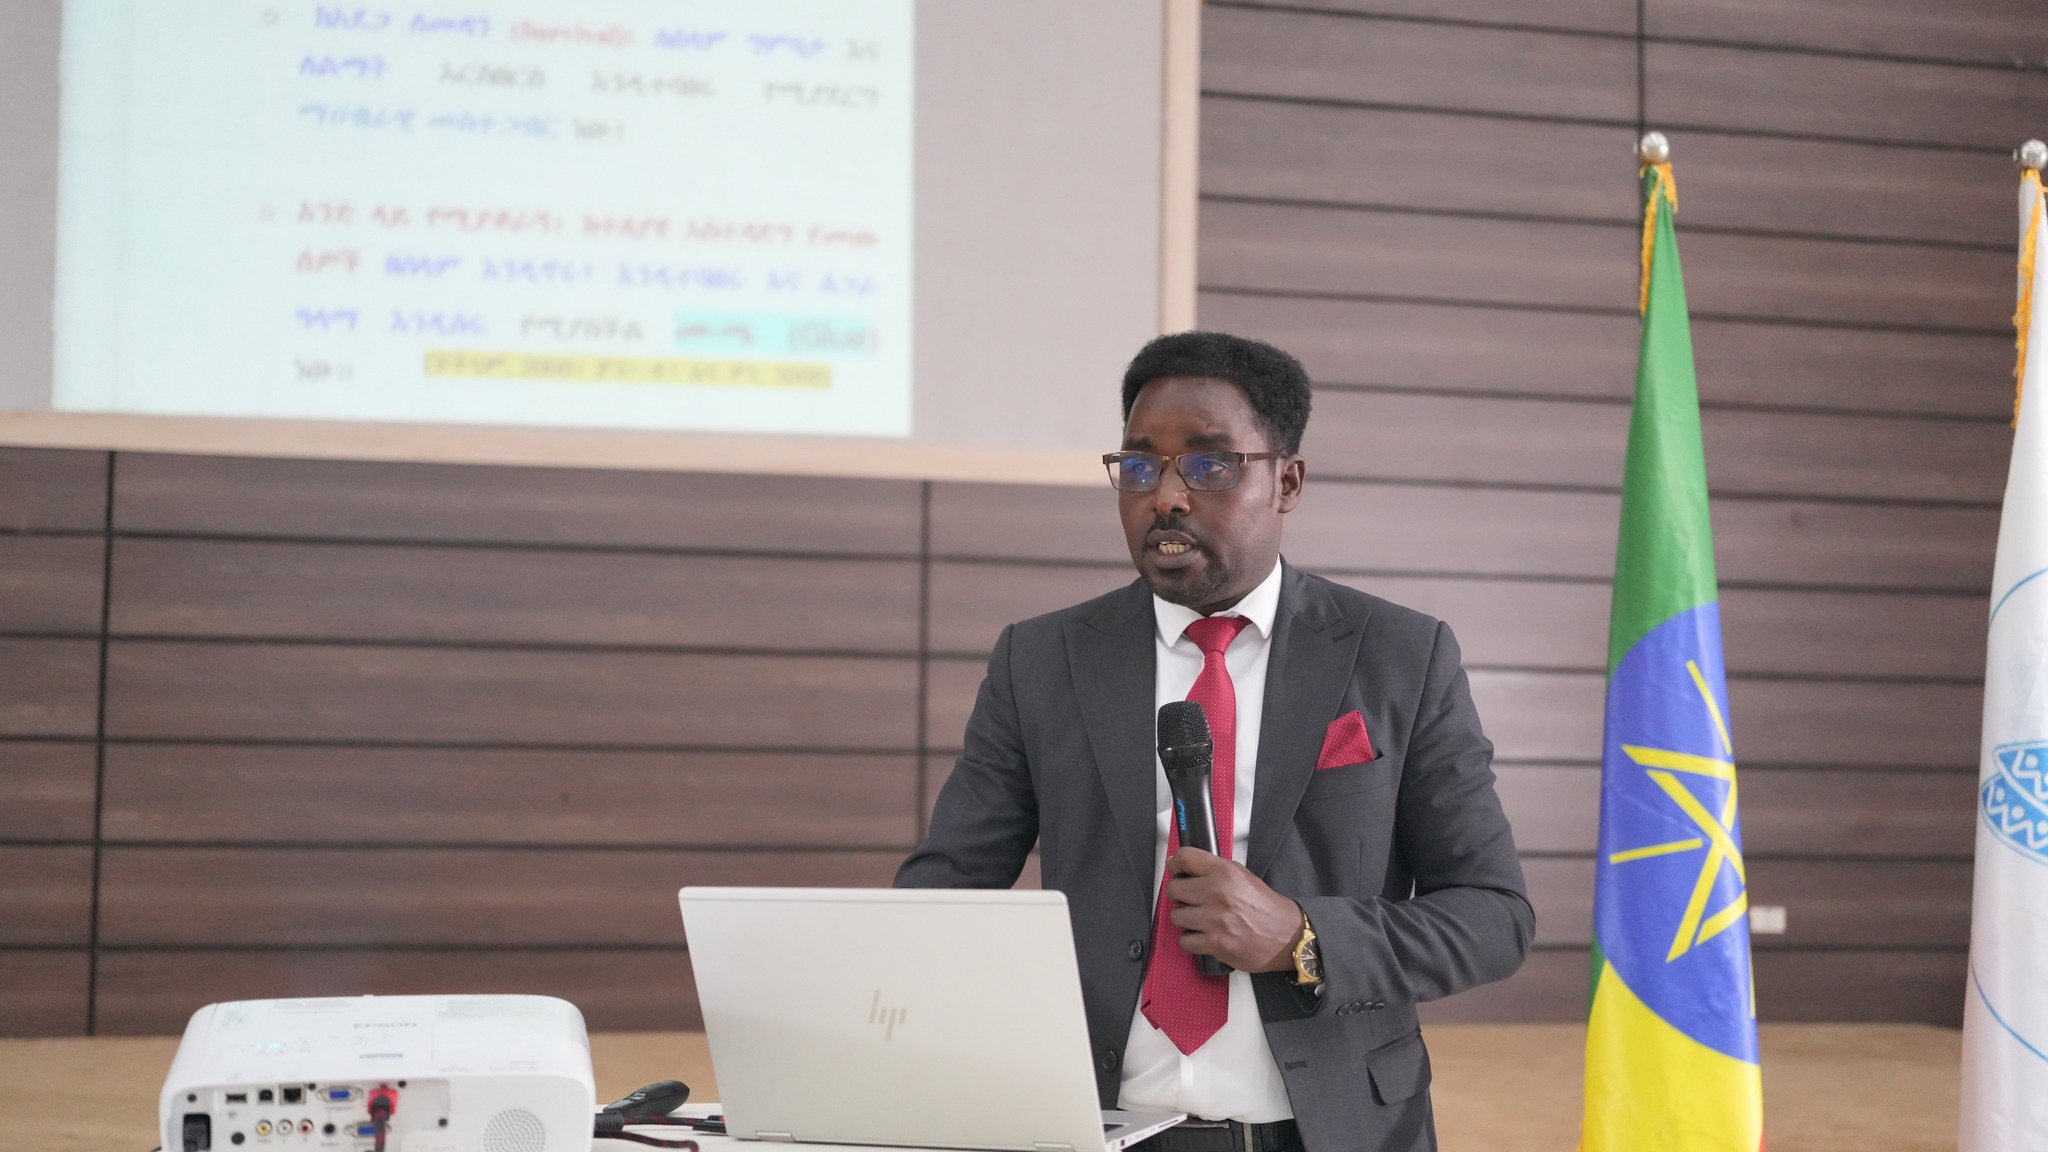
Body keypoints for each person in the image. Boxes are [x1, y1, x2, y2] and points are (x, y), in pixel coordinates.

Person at [896, 331, 1533, 1152]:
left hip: (1330, 1130)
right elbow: (943, 893)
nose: (1166, 496)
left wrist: (1301, 938)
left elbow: (1493, 916)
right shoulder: (1042, 660)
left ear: (1287, 481)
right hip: (1096, 1128)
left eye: (1208, 464)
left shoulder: (1400, 657)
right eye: (1140, 465)